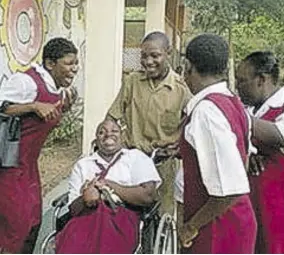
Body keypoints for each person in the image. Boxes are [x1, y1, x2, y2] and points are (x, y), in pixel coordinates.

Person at [178, 33, 257, 253]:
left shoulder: (206, 111)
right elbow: (244, 158)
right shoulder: (233, 103)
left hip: (218, 228)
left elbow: (230, 188)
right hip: (235, 220)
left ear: (188, 67)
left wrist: (191, 227)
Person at [0, 37, 79, 253]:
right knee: (15, 227)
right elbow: (2, 108)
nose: (74, 69)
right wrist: (33, 106)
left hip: (29, 168)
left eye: (76, 63)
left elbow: (39, 124)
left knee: (34, 223)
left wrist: (61, 110)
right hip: (9, 167)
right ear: (51, 64)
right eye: (69, 63)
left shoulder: (56, 90)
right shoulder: (26, 83)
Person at [107, 31, 191, 215]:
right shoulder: (132, 82)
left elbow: (192, 122)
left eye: (155, 55)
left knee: (161, 214)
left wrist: (178, 144)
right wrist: (108, 140)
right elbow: (112, 116)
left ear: (168, 53)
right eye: (144, 56)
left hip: (162, 165)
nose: (148, 61)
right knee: (125, 213)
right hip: (131, 159)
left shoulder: (181, 89)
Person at [55, 119, 161, 254]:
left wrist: (108, 185)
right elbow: (73, 210)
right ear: (96, 140)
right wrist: (86, 197)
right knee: (73, 240)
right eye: (101, 132)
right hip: (85, 218)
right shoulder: (83, 164)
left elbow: (148, 196)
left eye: (114, 131)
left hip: (122, 216)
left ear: (122, 136)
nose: (108, 134)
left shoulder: (136, 158)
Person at [236, 51, 284, 253]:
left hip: (277, 212)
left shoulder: (280, 107)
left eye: (242, 81)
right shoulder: (249, 110)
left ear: (261, 80)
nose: (237, 86)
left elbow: (278, 134)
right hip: (254, 208)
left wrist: (232, 115)